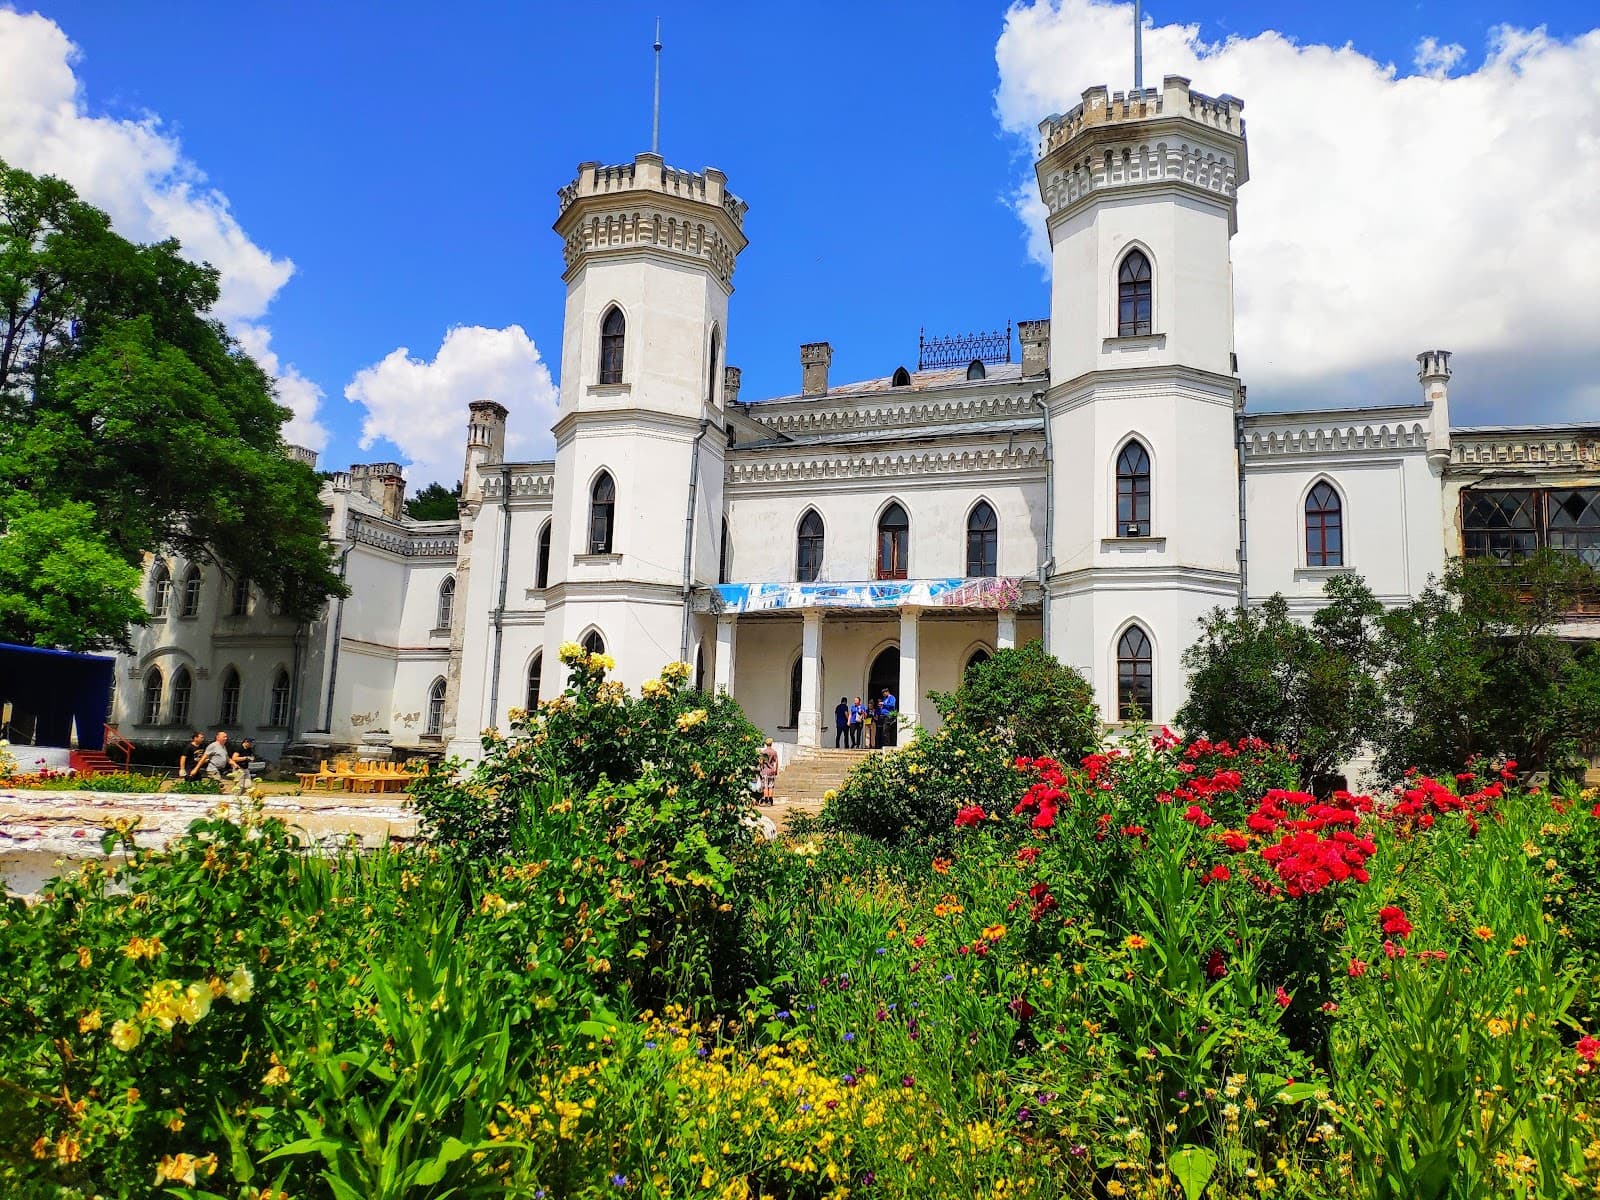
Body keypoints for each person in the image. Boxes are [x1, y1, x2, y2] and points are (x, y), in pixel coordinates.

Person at [757, 737, 780, 806]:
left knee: (765, 786)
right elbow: (776, 762)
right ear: (771, 744)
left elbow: (761, 762)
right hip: (771, 770)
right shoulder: (774, 752)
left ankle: (766, 800)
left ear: (766, 744)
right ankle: (770, 799)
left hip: (765, 771)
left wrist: (760, 767)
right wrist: (776, 770)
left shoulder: (764, 752)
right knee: (771, 786)